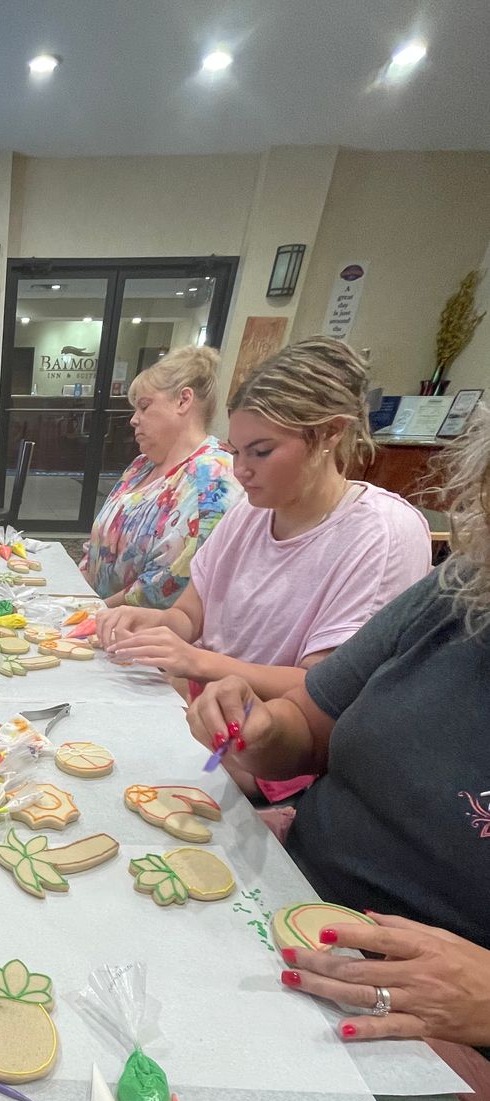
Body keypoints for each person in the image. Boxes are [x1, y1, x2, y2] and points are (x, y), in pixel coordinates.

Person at [186, 406, 490, 1050]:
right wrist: (261, 730)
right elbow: (307, 725)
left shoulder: (380, 532)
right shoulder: (461, 593)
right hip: (288, 895)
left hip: (435, 1023)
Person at [95, 337, 432, 801]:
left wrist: (197, 660)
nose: (240, 470)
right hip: (200, 713)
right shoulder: (250, 512)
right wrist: (155, 623)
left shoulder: (380, 533)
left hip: (275, 755)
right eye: (236, 451)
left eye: (261, 451)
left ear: (330, 433)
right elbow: (190, 614)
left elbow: (326, 693)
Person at [80, 345, 242, 606]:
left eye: (144, 407)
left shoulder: (212, 479)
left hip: (137, 625)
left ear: (183, 401)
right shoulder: (141, 465)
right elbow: (99, 547)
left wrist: (92, 611)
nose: (134, 420)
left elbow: (167, 586)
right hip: (93, 612)